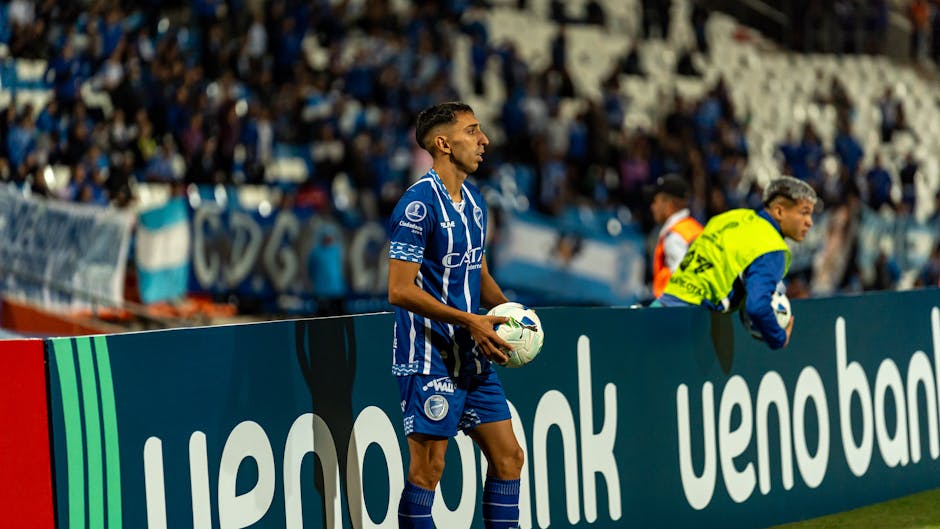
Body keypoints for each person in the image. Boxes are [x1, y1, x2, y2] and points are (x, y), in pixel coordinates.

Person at [388, 102, 524, 529]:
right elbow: (399, 289)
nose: (483, 140)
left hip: (473, 352)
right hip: (430, 357)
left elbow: (477, 270)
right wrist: (470, 320)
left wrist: (508, 315)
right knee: (428, 471)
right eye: (473, 131)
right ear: (444, 144)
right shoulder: (417, 206)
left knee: (510, 457)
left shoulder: (475, 201)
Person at [657, 176, 818, 349]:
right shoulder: (771, 247)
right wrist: (778, 337)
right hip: (690, 322)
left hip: (663, 304)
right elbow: (757, 307)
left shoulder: (731, 217)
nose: (810, 221)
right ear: (779, 212)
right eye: (804, 212)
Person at [648, 174, 703, 299]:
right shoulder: (695, 228)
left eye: (655, 201)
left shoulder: (674, 235)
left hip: (675, 311)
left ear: (669, 204)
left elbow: (683, 281)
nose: (652, 207)